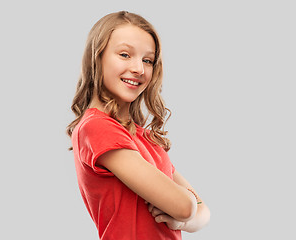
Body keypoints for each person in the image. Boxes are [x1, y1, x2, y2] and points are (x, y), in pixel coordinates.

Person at [66, 11, 210, 240]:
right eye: (125, 54)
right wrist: (186, 211)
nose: (139, 69)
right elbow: (186, 206)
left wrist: (184, 214)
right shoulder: (97, 128)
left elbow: (202, 211)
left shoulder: (143, 137)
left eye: (147, 60)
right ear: (97, 57)